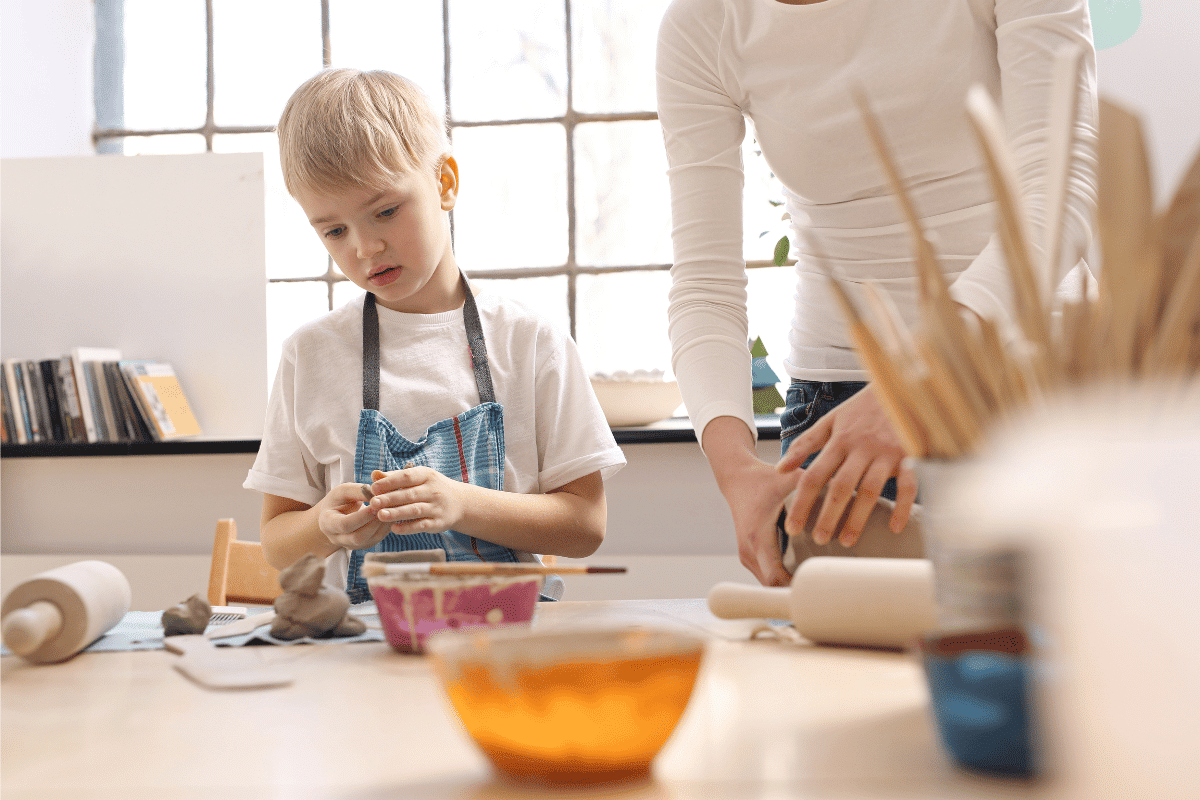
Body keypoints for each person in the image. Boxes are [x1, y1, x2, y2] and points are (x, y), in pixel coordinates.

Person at [657, 0, 1098, 586]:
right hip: (845, 414)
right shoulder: (704, 24)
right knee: (843, 673)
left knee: (1057, 664)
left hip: (1029, 383)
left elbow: (1061, 192)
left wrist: (916, 377)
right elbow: (705, 287)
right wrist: (737, 473)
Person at [244, 68, 626, 602]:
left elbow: (585, 525)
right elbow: (279, 542)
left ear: (444, 183)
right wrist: (323, 528)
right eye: (334, 230)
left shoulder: (530, 342)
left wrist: (463, 504)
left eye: (385, 211)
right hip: (363, 652)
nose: (365, 247)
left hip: (503, 641)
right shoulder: (309, 355)